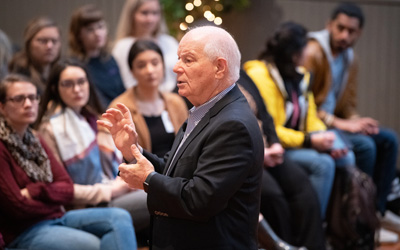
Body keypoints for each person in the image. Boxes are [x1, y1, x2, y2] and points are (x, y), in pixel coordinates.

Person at [98, 26, 264, 249]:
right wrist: (132, 149)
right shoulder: (204, 109)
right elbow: (171, 169)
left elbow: (198, 200)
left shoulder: (232, 124)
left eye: (188, 60)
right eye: (178, 59)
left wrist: (148, 180)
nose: (176, 68)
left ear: (219, 67)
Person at [0, 74, 137, 250]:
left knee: (119, 217)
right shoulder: (2, 147)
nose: (28, 104)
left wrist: (37, 190)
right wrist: (53, 200)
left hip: (57, 216)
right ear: (2, 107)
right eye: (19, 99)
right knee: (94, 245)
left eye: (33, 97)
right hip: (25, 231)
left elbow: (65, 185)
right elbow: (17, 207)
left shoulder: (35, 139)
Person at [244, 21, 356, 218]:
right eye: (305, 47)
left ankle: (340, 227)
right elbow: (272, 129)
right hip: (279, 146)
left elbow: (310, 116)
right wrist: (310, 141)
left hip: (300, 142)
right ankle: (315, 225)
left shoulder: (301, 75)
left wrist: (327, 140)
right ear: (295, 54)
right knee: (323, 165)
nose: (309, 52)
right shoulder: (261, 75)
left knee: (346, 155)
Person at [304, 2, 399, 233]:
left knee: (387, 139)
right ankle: (354, 218)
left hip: (335, 122)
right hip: (314, 125)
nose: (345, 35)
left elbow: (348, 105)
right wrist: (341, 123)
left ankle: (376, 211)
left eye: (351, 31)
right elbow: (301, 105)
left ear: (360, 32)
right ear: (329, 25)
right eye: (340, 28)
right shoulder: (313, 51)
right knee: (366, 147)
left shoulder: (350, 58)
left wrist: (357, 122)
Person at [34, 59, 150, 238]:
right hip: (84, 205)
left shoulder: (95, 119)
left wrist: (128, 177)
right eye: (68, 84)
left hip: (114, 191)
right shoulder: (49, 129)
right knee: (157, 199)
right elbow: (57, 188)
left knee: (159, 190)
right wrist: (111, 190)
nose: (77, 89)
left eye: (81, 81)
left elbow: (116, 167)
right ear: (55, 89)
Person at [237, 70, 325, 250]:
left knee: (303, 187)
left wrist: (275, 143)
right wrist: (259, 155)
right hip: (245, 157)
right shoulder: (209, 87)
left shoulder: (241, 75)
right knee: (275, 197)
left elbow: (265, 115)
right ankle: (287, 246)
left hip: (268, 148)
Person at [106, 39, 188, 157]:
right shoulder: (120, 107)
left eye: (155, 63)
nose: (150, 70)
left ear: (163, 66)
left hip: (175, 172)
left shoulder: (176, 102)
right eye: (141, 65)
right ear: (132, 71)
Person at [112, 0, 178, 92]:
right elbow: (124, 82)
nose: (150, 19)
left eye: (155, 13)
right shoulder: (123, 46)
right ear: (132, 15)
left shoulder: (170, 42)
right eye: (144, 13)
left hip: (173, 98)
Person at [69, 4, 126, 107]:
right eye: (90, 29)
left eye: (100, 27)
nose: (97, 33)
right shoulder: (75, 66)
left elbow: (123, 93)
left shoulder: (109, 59)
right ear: (78, 35)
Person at [9, 17, 61, 94]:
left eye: (54, 41)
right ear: (29, 44)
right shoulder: (17, 76)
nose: (49, 46)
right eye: (43, 41)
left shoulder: (62, 73)